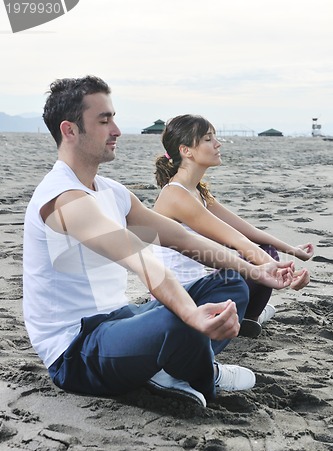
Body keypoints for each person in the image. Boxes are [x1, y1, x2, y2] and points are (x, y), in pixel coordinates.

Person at [23, 76, 294, 409]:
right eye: (104, 120)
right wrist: (191, 316)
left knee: (230, 284)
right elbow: (142, 261)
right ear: (70, 130)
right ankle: (201, 372)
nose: (117, 130)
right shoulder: (62, 199)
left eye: (114, 118)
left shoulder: (111, 191)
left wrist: (257, 270)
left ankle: (170, 365)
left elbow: (180, 238)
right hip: (78, 350)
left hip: (121, 320)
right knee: (178, 320)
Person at [153, 114, 313, 337]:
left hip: (197, 289)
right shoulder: (175, 195)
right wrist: (287, 275)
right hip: (180, 300)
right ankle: (245, 318)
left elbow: (247, 232)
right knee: (254, 260)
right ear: (186, 150)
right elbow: (236, 240)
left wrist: (293, 251)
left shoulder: (196, 191)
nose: (217, 144)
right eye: (208, 139)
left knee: (265, 251)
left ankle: (246, 319)